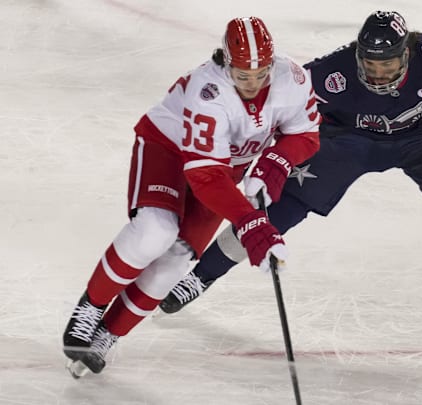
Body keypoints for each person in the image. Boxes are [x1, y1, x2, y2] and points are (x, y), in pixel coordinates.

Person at [161, 11, 422, 325]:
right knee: (280, 211)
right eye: (370, 65)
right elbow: (273, 111)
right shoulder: (329, 73)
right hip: (346, 141)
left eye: (388, 65)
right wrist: (265, 158)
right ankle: (201, 277)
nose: (378, 74)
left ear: (406, 51)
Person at [61, 16, 320, 376]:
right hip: (169, 150)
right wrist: (249, 221)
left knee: (175, 260)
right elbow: (205, 176)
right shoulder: (208, 90)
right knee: (156, 230)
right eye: (242, 75)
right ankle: (91, 306)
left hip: (223, 167)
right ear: (225, 62)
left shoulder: (291, 77)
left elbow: (306, 134)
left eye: (260, 73)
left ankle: (109, 333)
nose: (252, 83)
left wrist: (276, 161)